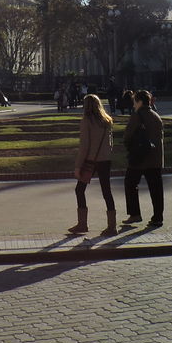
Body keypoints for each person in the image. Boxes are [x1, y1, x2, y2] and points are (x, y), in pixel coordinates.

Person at [69, 94, 117, 236]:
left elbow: (84, 146)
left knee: (79, 190)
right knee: (106, 192)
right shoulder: (107, 121)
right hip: (105, 160)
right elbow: (110, 143)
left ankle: (82, 224)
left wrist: (78, 166)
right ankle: (112, 226)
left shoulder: (86, 121)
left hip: (90, 161)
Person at [122, 90, 164, 228]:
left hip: (139, 158)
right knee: (156, 189)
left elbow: (127, 135)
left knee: (130, 183)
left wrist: (128, 145)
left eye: (135, 101)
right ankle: (158, 217)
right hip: (155, 158)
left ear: (139, 102)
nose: (133, 104)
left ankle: (135, 214)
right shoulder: (156, 115)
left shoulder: (137, 115)